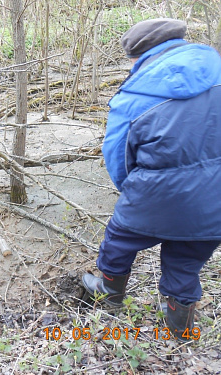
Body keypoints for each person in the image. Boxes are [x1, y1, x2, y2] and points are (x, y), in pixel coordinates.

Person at [81, 18, 221, 342]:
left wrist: (133, 197)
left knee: (118, 239)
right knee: (186, 259)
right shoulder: (216, 68)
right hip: (215, 202)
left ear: (138, 55)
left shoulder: (132, 95)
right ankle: (181, 329)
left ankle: (109, 295)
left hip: (154, 196)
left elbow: (117, 158)